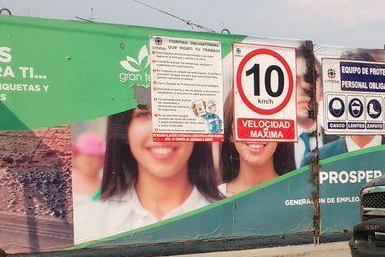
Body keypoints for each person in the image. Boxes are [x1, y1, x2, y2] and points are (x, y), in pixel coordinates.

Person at [74, 90, 223, 243]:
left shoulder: (228, 218)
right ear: (125, 129)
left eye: (174, 110)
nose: (160, 132)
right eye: (144, 114)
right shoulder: (87, 226)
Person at [219, 94, 296, 196]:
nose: (256, 130)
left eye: (266, 120)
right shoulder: (212, 200)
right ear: (230, 134)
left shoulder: (297, 196)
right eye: (245, 119)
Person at [70, 131, 105, 201]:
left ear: (101, 161)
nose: (88, 160)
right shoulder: (66, 180)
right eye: (83, 155)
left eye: (93, 156)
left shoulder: (106, 186)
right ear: (76, 157)